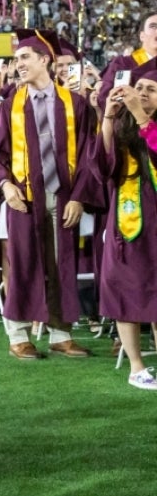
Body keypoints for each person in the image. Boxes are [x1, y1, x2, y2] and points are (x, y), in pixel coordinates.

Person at [0, 29, 100, 360]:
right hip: (23, 198)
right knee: (22, 265)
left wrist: (79, 196)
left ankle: (60, 334)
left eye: (24, 58)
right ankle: (18, 335)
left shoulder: (75, 104)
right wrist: (5, 186)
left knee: (61, 264)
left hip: (63, 197)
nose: (17, 64)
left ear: (44, 60)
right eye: (16, 59)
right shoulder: (10, 107)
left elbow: (90, 154)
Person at [97, 59, 157, 388]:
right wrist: (108, 116)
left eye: (151, 89)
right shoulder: (124, 127)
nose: (143, 92)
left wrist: (141, 115)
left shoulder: (145, 122)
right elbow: (102, 165)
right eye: (141, 88)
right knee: (126, 290)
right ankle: (137, 367)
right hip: (129, 221)